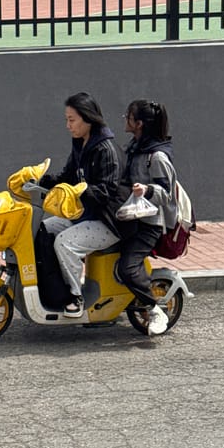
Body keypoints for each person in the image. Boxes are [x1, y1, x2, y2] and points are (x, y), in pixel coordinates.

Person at [40, 92, 122, 318]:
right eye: (66, 119)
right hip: (84, 215)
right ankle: (54, 287)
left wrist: (83, 189)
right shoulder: (80, 143)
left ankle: (75, 297)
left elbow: (108, 192)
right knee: (44, 229)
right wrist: (43, 181)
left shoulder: (106, 149)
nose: (68, 125)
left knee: (65, 243)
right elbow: (68, 176)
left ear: (88, 119)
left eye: (72, 120)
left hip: (107, 221)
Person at [117, 99, 178, 337]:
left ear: (139, 123)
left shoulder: (157, 156)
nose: (125, 119)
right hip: (131, 218)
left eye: (129, 116)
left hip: (149, 225)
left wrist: (147, 190)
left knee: (128, 268)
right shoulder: (134, 147)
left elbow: (166, 194)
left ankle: (155, 310)